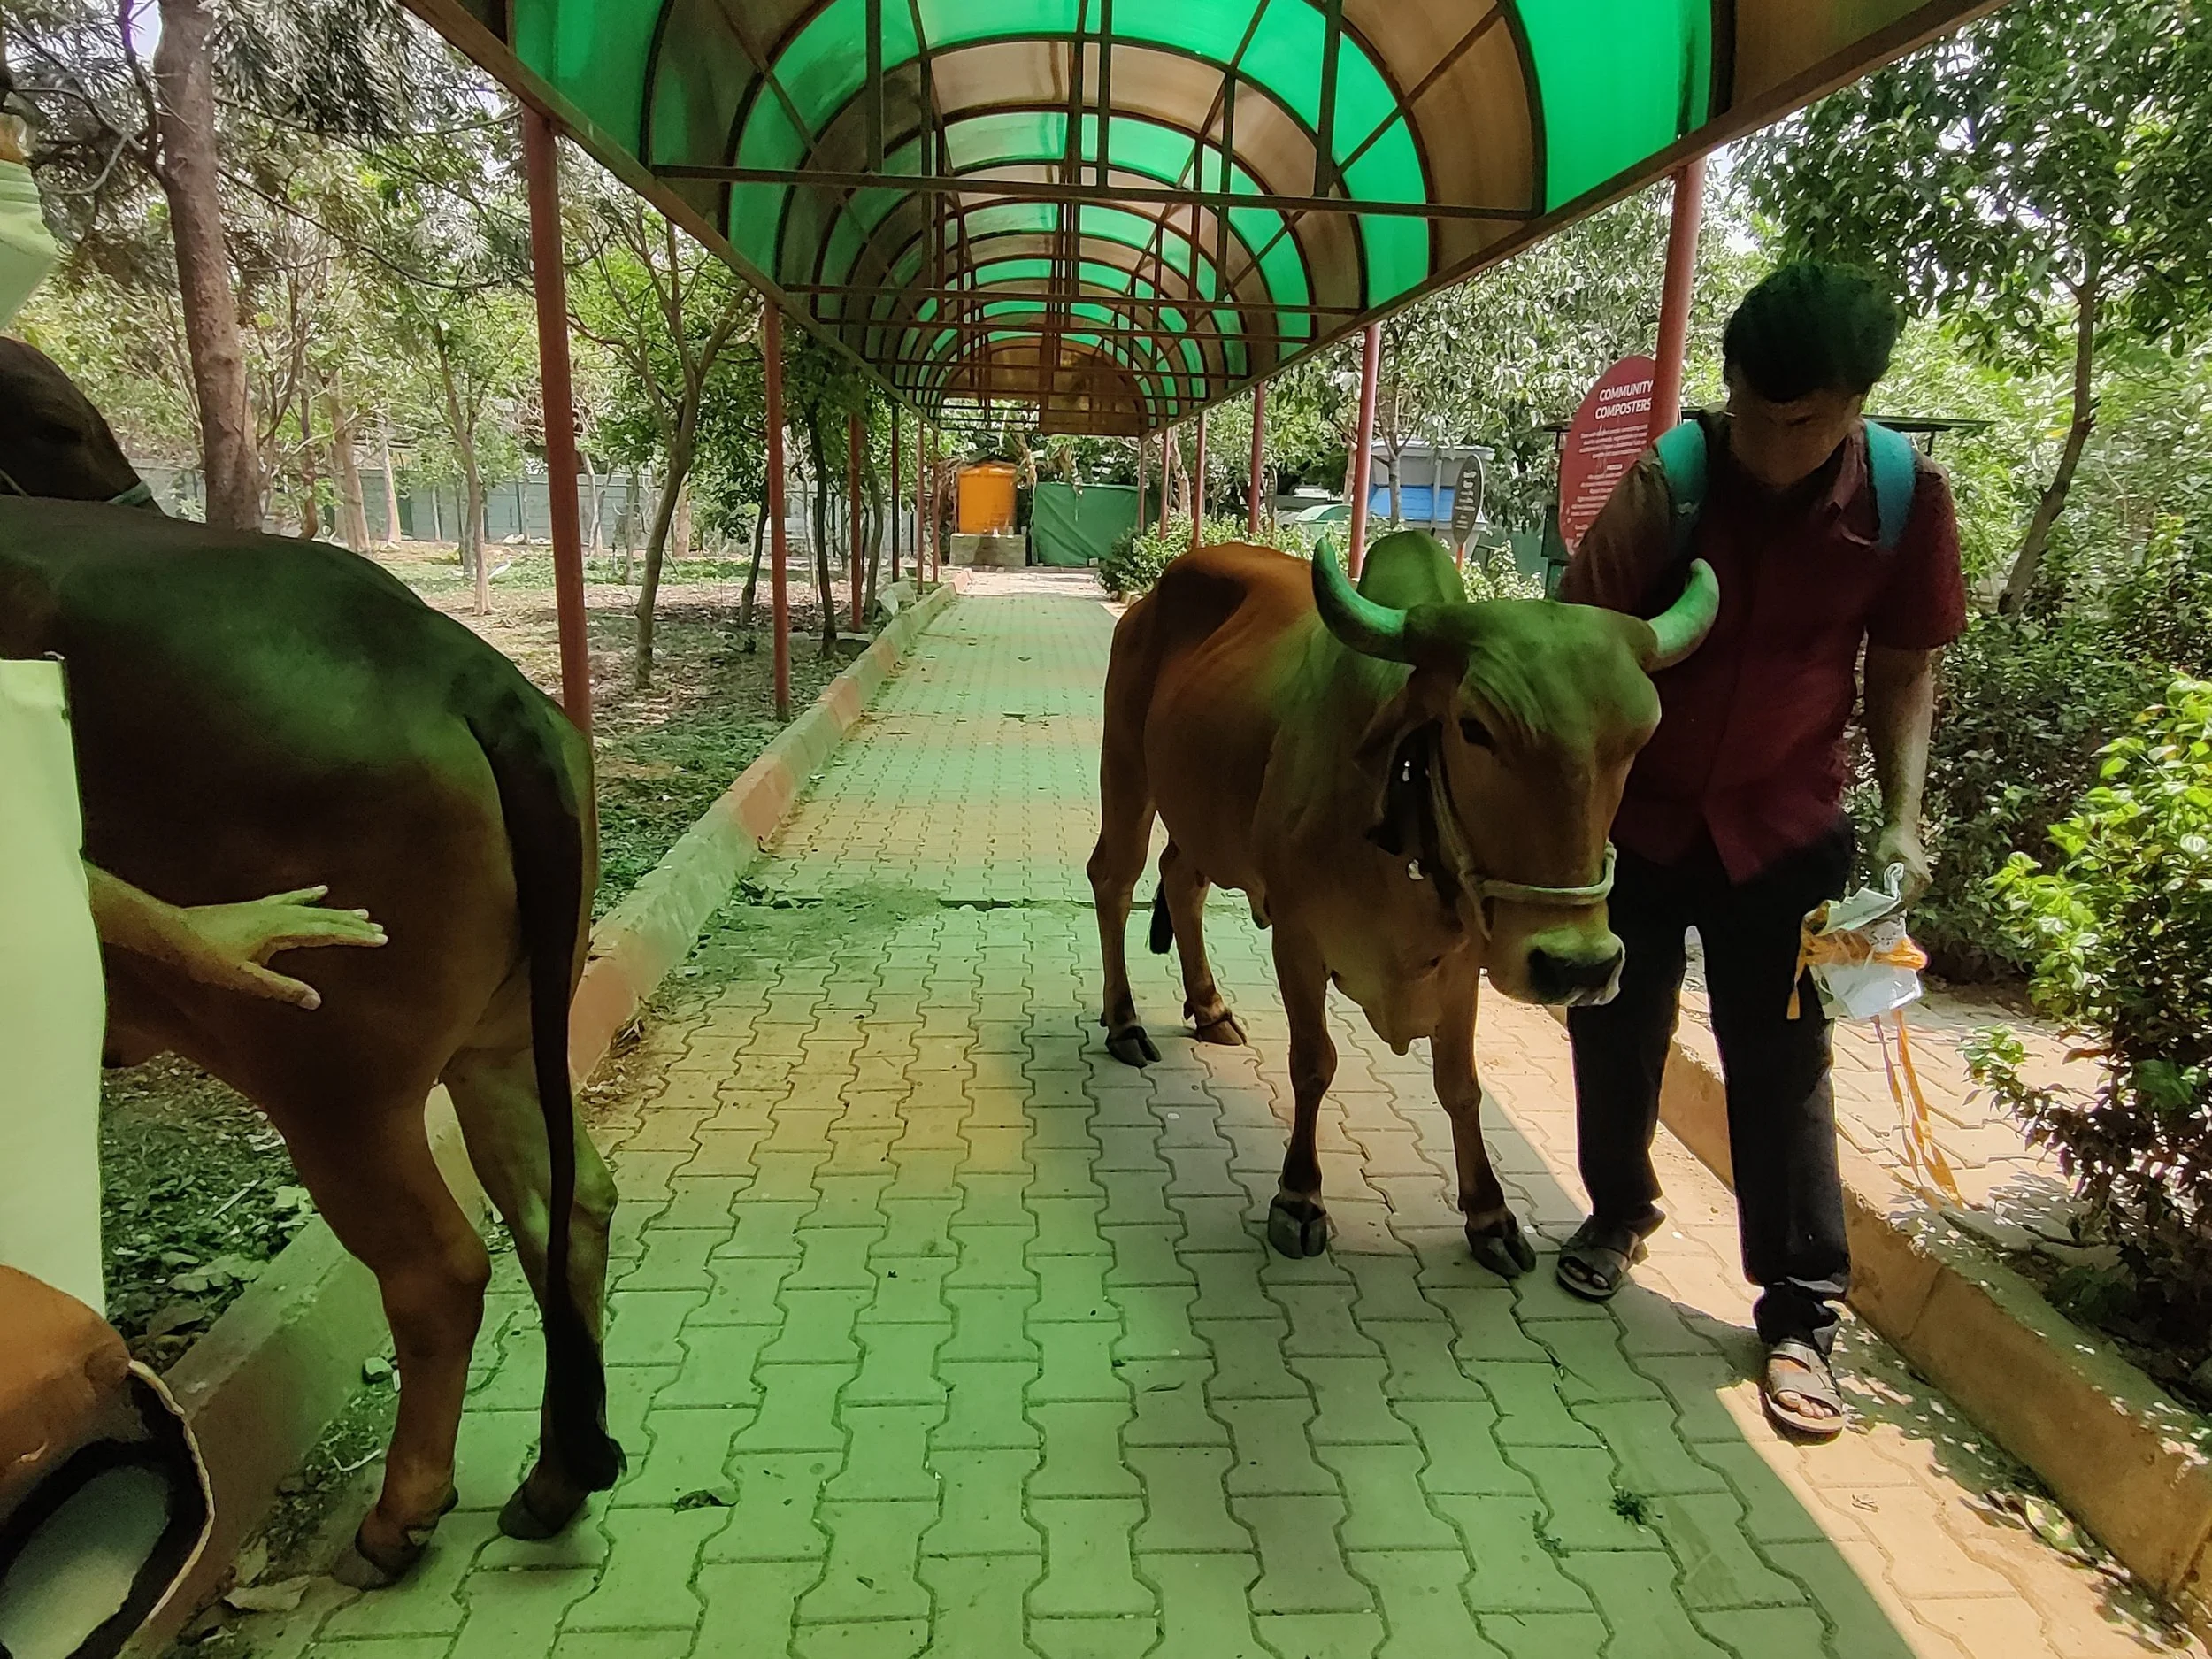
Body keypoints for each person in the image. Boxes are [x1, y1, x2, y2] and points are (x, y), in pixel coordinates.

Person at [1556, 262, 1965, 1439]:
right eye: (1753, 409)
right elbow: (1582, 652)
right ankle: (1617, 1210)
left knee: (1783, 1067)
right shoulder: (1666, 486)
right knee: (1613, 1026)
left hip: (1787, 832)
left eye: (1805, 420)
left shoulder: (1903, 500)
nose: (1772, 440)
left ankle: (1799, 1312)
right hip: (1638, 820)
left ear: (1852, 406)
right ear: (1727, 383)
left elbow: (1902, 668)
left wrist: (1902, 816)